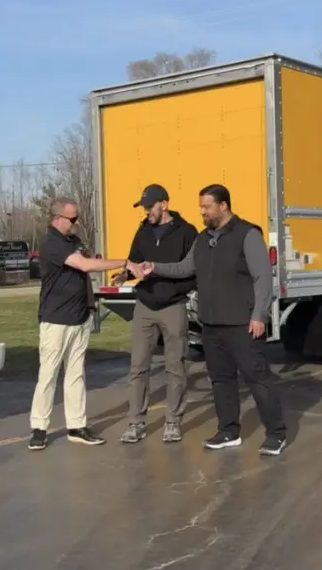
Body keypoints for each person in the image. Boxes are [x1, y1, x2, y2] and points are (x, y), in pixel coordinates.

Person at [136, 184, 288, 456]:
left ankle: (276, 433)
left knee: (257, 378)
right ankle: (228, 431)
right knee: (220, 379)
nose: (202, 212)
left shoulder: (247, 234)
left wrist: (259, 315)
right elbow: (184, 268)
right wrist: (155, 267)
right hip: (212, 324)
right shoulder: (203, 238)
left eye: (206, 207)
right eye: (201, 208)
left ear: (223, 206)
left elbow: (263, 277)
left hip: (243, 324)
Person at [29, 196, 139, 451]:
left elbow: (85, 257)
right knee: (48, 375)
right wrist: (124, 262)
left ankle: (77, 426)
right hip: (56, 319)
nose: (76, 223)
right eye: (73, 219)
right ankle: (39, 428)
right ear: (58, 219)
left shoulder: (73, 241)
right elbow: (85, 265)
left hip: (79, 317)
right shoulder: (52, 243)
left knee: (76, 374)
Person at [116, 184, 198, 444]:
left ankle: (173, 421)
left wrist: (178, 289)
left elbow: (193, 269)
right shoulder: (143, 231)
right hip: (145, 305)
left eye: (150, 206)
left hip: (173, 306)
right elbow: (134, 261)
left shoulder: (186, 232)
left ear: (164, 204)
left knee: (175, 366)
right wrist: (125, 274)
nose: (146, 211)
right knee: (138, 366)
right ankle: (135, 423)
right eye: (144, 207)